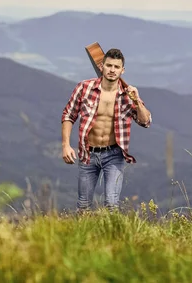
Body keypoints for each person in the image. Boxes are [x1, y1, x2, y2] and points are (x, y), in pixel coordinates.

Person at [61, 48, 152, 211]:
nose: (112, 70)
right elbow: (69, 115)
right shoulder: (84, 88)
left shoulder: (128, 94)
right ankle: (84, 236)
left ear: (122, 70)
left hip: (114, 154)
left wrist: (137, 101)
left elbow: (145, 122)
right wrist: (66, 145)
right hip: (88, 153)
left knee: (111, 204)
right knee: (83, 206)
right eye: (109, 65)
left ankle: (111, 236)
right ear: (101, 66)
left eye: (116, 67)